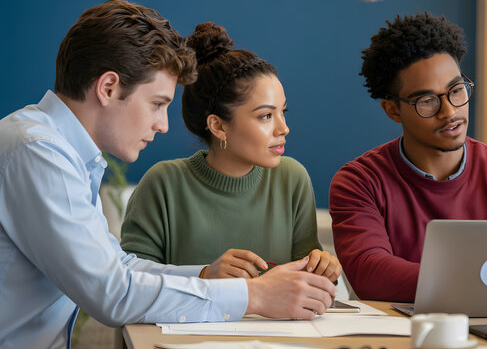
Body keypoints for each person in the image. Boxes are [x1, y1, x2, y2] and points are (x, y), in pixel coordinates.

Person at [0, 0, 335, 349]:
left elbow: (119, 266)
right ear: (109, 88)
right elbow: (112, 293)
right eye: (157, 104)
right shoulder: (38, 152)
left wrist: (207, 276)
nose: (162, 125)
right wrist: (253, 296)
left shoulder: (59, 151)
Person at [329, 12, 487, 303]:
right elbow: (371, 273)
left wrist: (455, 282)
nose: (450, 112)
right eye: (427, 101)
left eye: (456, 90)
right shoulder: (359, 182)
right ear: (392, 110)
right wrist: (482, 281)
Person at [121, 22, 342, 283]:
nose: (283, 128)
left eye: (283, 112)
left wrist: (324, 268)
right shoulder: (163, 184)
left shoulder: (292, 179)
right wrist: (204, 276)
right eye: (266, 116)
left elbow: (309, 280)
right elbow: (130, 283)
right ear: (218, 126)